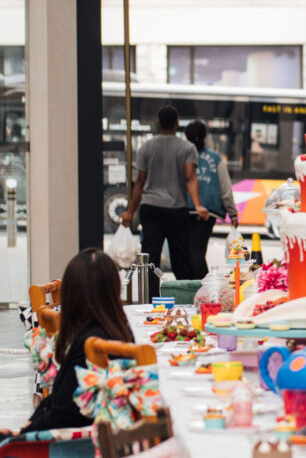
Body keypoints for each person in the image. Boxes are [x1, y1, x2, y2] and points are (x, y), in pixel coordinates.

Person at [14, 249, 135, 434]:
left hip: (69, 447)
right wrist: (27, 427)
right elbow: (57, 402)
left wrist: (19, 435)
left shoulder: (88, 346)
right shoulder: (121, 333)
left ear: (72, 295)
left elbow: (61, 415)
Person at [120, 106, 209, 289]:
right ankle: (187, 298)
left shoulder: (146, 147)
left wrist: (130, 212)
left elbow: (140, 181)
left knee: (150, 259)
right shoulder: (187, 148)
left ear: (159, 122)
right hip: (176, 210)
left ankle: (150, 301)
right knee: (181, 258)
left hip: (151, 209)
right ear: (177, 123)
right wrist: (198, 205)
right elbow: (190, 177)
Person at [184, 120, 239, 276]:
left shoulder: (182, 156)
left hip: (185, 211)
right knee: (198, 253)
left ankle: (200, 287)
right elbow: (225, 188)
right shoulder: (215, 158)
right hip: (208, 213)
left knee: (189, 254)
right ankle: (203, 287)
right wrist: (232, 213)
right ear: (205, 136)